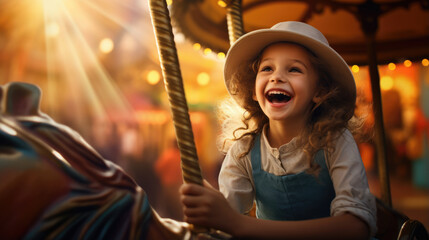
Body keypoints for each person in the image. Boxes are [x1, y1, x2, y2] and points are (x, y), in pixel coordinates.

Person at [180, 21, 377, 239]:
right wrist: (209, 207)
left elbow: (355, 227)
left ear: (319, 91)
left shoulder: (334, 141)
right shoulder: (244, 150)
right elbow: (226, 219)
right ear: (253, 90)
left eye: (294, 69)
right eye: (267, 68)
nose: (277, 77)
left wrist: (238, 224)